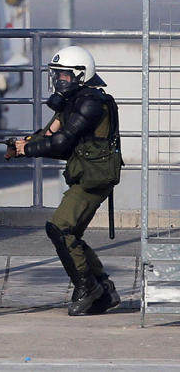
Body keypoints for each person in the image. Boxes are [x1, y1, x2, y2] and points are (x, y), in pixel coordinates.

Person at [12, 45, 123, 316]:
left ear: (81, 75)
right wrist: (22, 143)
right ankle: (104, 289)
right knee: (69, 232)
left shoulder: (91, 103)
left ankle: (89, 288)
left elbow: (62, 142)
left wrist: (27, 149)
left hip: (95, 177)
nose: (58, 81)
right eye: (56, 75)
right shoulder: (72, 101)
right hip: (85, 173)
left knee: (60, 229)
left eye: (64, 76)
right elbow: (51, 134)